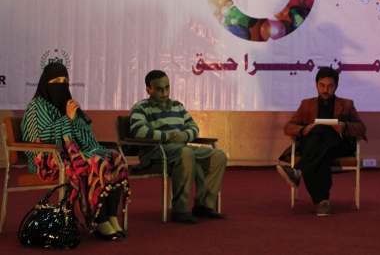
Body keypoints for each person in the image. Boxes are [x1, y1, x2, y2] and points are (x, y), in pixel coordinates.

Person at [22, 62, 130, 241]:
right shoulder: (36, 107)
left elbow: (85, 138)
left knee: (115, 158)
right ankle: (98, 219)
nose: (61, 85)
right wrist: (67, 119)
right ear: (45, 83)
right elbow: (39, 138)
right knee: (96, 163)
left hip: (72, 154)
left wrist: (77, 117)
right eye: (56, 81)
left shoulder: (66, 104)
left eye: (65, 81)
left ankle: (111, 215)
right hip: (47, 160)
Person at [129, 70, 227, 224]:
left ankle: (203, 205)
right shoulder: (141, 107)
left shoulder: (177, 106)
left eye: (167, 87)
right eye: (160, 89)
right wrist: (165, 136)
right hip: (156, 151)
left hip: (180, 146)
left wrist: (184, 136)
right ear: (149, 89)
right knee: (186, 152)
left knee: (218, 156)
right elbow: (137, 131)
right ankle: (180, 210)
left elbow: (193, 127)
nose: (165, 92)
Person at [276, 66, 367, 216]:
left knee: (320, 131)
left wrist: (344, 126)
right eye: (322, 86)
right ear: (316, 85)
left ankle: (298, 170)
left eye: (330, 86)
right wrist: (304, 130)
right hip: (320, 148)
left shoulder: (347, 104)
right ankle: (323, 203)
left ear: (336, 87)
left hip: (339, 145)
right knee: (320, 143)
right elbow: (288, 127)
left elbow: (361, 128)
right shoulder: (306, 104)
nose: (326, 90)